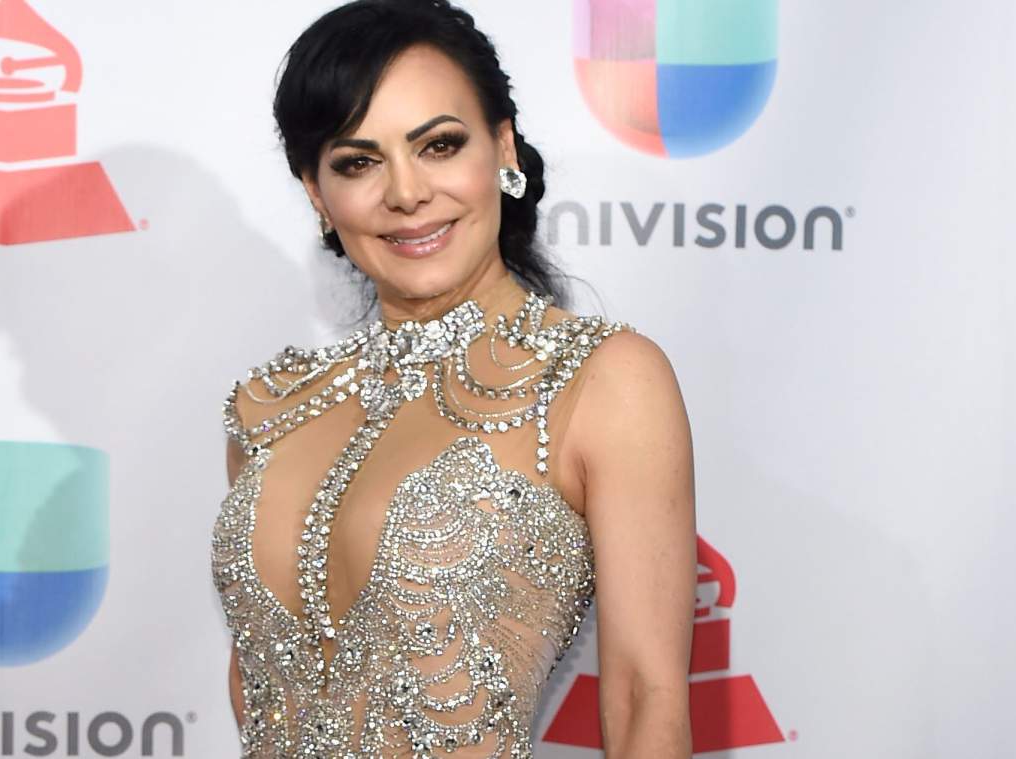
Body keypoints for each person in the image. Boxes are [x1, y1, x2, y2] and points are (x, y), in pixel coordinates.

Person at [210, 1, 697, 756]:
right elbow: (257, 687)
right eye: (358, 162)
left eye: (438, 145)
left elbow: (645, 702)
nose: (406, 193)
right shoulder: (269, 409)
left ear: (502, 147)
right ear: (315, 193)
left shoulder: (602, 379)